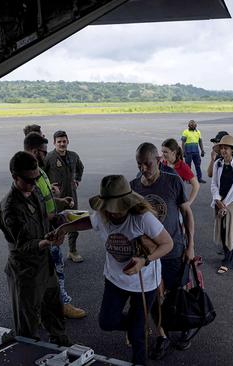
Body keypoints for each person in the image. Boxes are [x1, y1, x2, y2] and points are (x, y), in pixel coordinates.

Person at [50, 175, 174, 365]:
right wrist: (66, 228)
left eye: (118, 208)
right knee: (107, 321)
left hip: (144, 282)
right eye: (109, 208)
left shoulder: (143, 218)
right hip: (115, 279)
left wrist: (144, 260)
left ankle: (139, 353)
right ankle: (134, 326)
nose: (113, 213)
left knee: (138, 336)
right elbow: (89, 222)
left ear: (129, 203)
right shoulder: (102, 215)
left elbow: (167, 244)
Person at [0, 151, 70, 345]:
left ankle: (60, 343)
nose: (34, 183)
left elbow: (44, 220)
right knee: (27, 324)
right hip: (25, 270)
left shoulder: (34, 191)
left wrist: (59, 227)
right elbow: (22, 245)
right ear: (15, 177)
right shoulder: (9, 207)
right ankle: (29, 355)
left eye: (37, 178)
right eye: (29, 180)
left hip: (45, 263)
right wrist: (48, 242)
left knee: (53, 309)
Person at [131, 142, 195, 359]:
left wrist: (191, 245)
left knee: (177, 292)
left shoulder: (173, 181)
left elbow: (187, 214)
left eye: (147, 164)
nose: (143, 169)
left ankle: (184, 326)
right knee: (154, 296)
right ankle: (162, 335)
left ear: (157, 160)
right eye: (139, 165)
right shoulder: (133, 187)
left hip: (174, 248)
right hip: (148, 254)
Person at [23, 132, 86, 319]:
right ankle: (55, 307)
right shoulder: (30, 175)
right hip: (42, 234)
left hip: (50, 227)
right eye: (43, 151)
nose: (46, 154)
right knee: (47, 273)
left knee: (55, 271)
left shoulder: (39, 171)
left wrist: (58, 201)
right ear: (36, 151)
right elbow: (33, 208)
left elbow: (45, 200)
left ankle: (57, 304)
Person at [44, 130, 85, 263]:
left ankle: (72, 251)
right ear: (54, 143)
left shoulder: (73, 156)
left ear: (68, 141)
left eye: (64, 141)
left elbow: (80, 168)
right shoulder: (49, 158)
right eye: (59, 142)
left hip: (72, 194)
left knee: (74, 222)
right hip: (56, 197)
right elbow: (41, 174)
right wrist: (48, 185)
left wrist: (77, 179)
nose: (62, 144)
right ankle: (54, 253)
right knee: (55, 225)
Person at [161, 138, 200, 205]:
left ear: (173, 152)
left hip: (175, 203)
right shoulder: (162, 163)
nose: (163, 154)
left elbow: (196, 185)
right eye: (162, 152)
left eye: (165, 152)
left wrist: (189, 203)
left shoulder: (182, 167)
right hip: (162, 200)